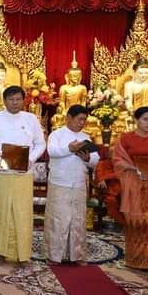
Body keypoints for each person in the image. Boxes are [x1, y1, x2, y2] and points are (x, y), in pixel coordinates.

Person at [0, 85, 46, 263]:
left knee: (22, 211)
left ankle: (23, 254)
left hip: (23, 172)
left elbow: (41, 144)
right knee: (3, 210)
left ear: (23, 100)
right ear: (4, 101)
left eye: (18, 99)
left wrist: (31, 159)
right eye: (11, 99)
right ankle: (1, 251)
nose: (15, 103)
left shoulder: (31, 119)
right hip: (3, 171)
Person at [112, 106, 148, 271]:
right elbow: (118, 160)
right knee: (136, 221)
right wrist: (135, 168)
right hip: (134, 185)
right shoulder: (126, 139)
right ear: (136, 120)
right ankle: (135, 259)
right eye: (145, 119)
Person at [43, 105, 100, 265]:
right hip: (59, 182)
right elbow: (52, 151)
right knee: (58, 219)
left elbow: (96, 160)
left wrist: (87, 158)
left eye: (84, 120)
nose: (82, 123)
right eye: (79, 119)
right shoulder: (57, 135)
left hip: (79, 183)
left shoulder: (86, 137)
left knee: (78, 219)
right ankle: (54, 256)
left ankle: (77, 255)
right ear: (69, 118)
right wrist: (70, 148)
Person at [94, 157, 124, 225]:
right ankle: (123, 222)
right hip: (108, 192)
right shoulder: (102, 163)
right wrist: (102, 179)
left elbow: (123, 174)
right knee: (111, 200)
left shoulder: (122, 163)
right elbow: (99, 177)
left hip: (123, 189)